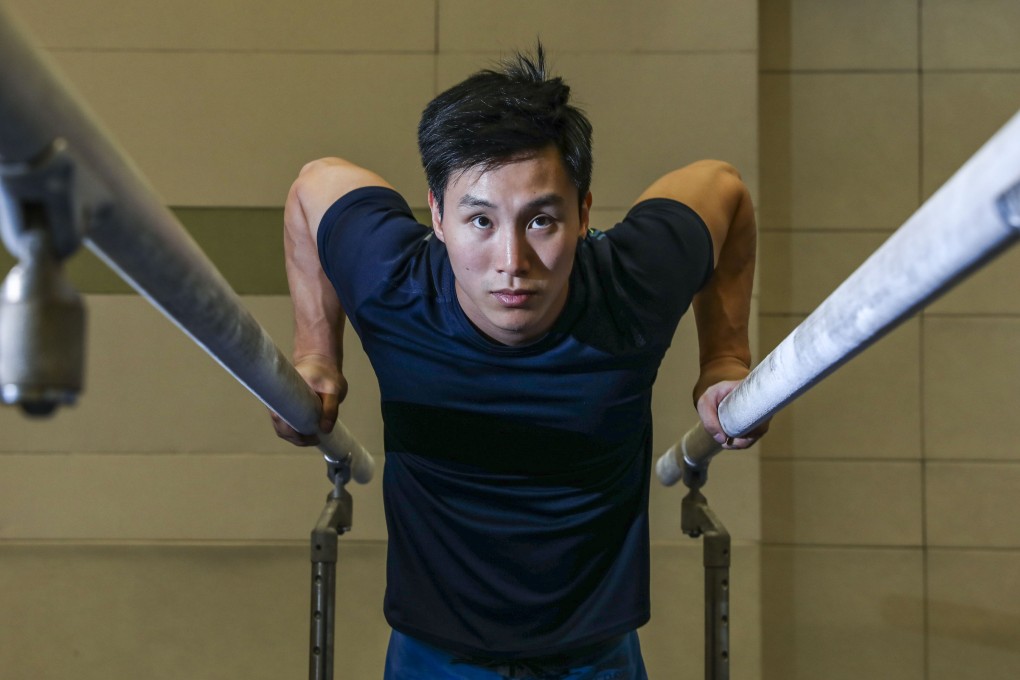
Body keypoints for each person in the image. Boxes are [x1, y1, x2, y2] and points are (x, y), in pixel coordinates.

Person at [271, 45, 764, 680]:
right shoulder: (397, 285)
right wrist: (317, 355)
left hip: (595, 655)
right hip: (434, 653)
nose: (512, 259)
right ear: (438, 218)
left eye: (541, 221)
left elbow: (725, 188)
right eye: (480, 219)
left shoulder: (629, 287)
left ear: (584, 215)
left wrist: (724, 360)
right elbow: (313, 184)